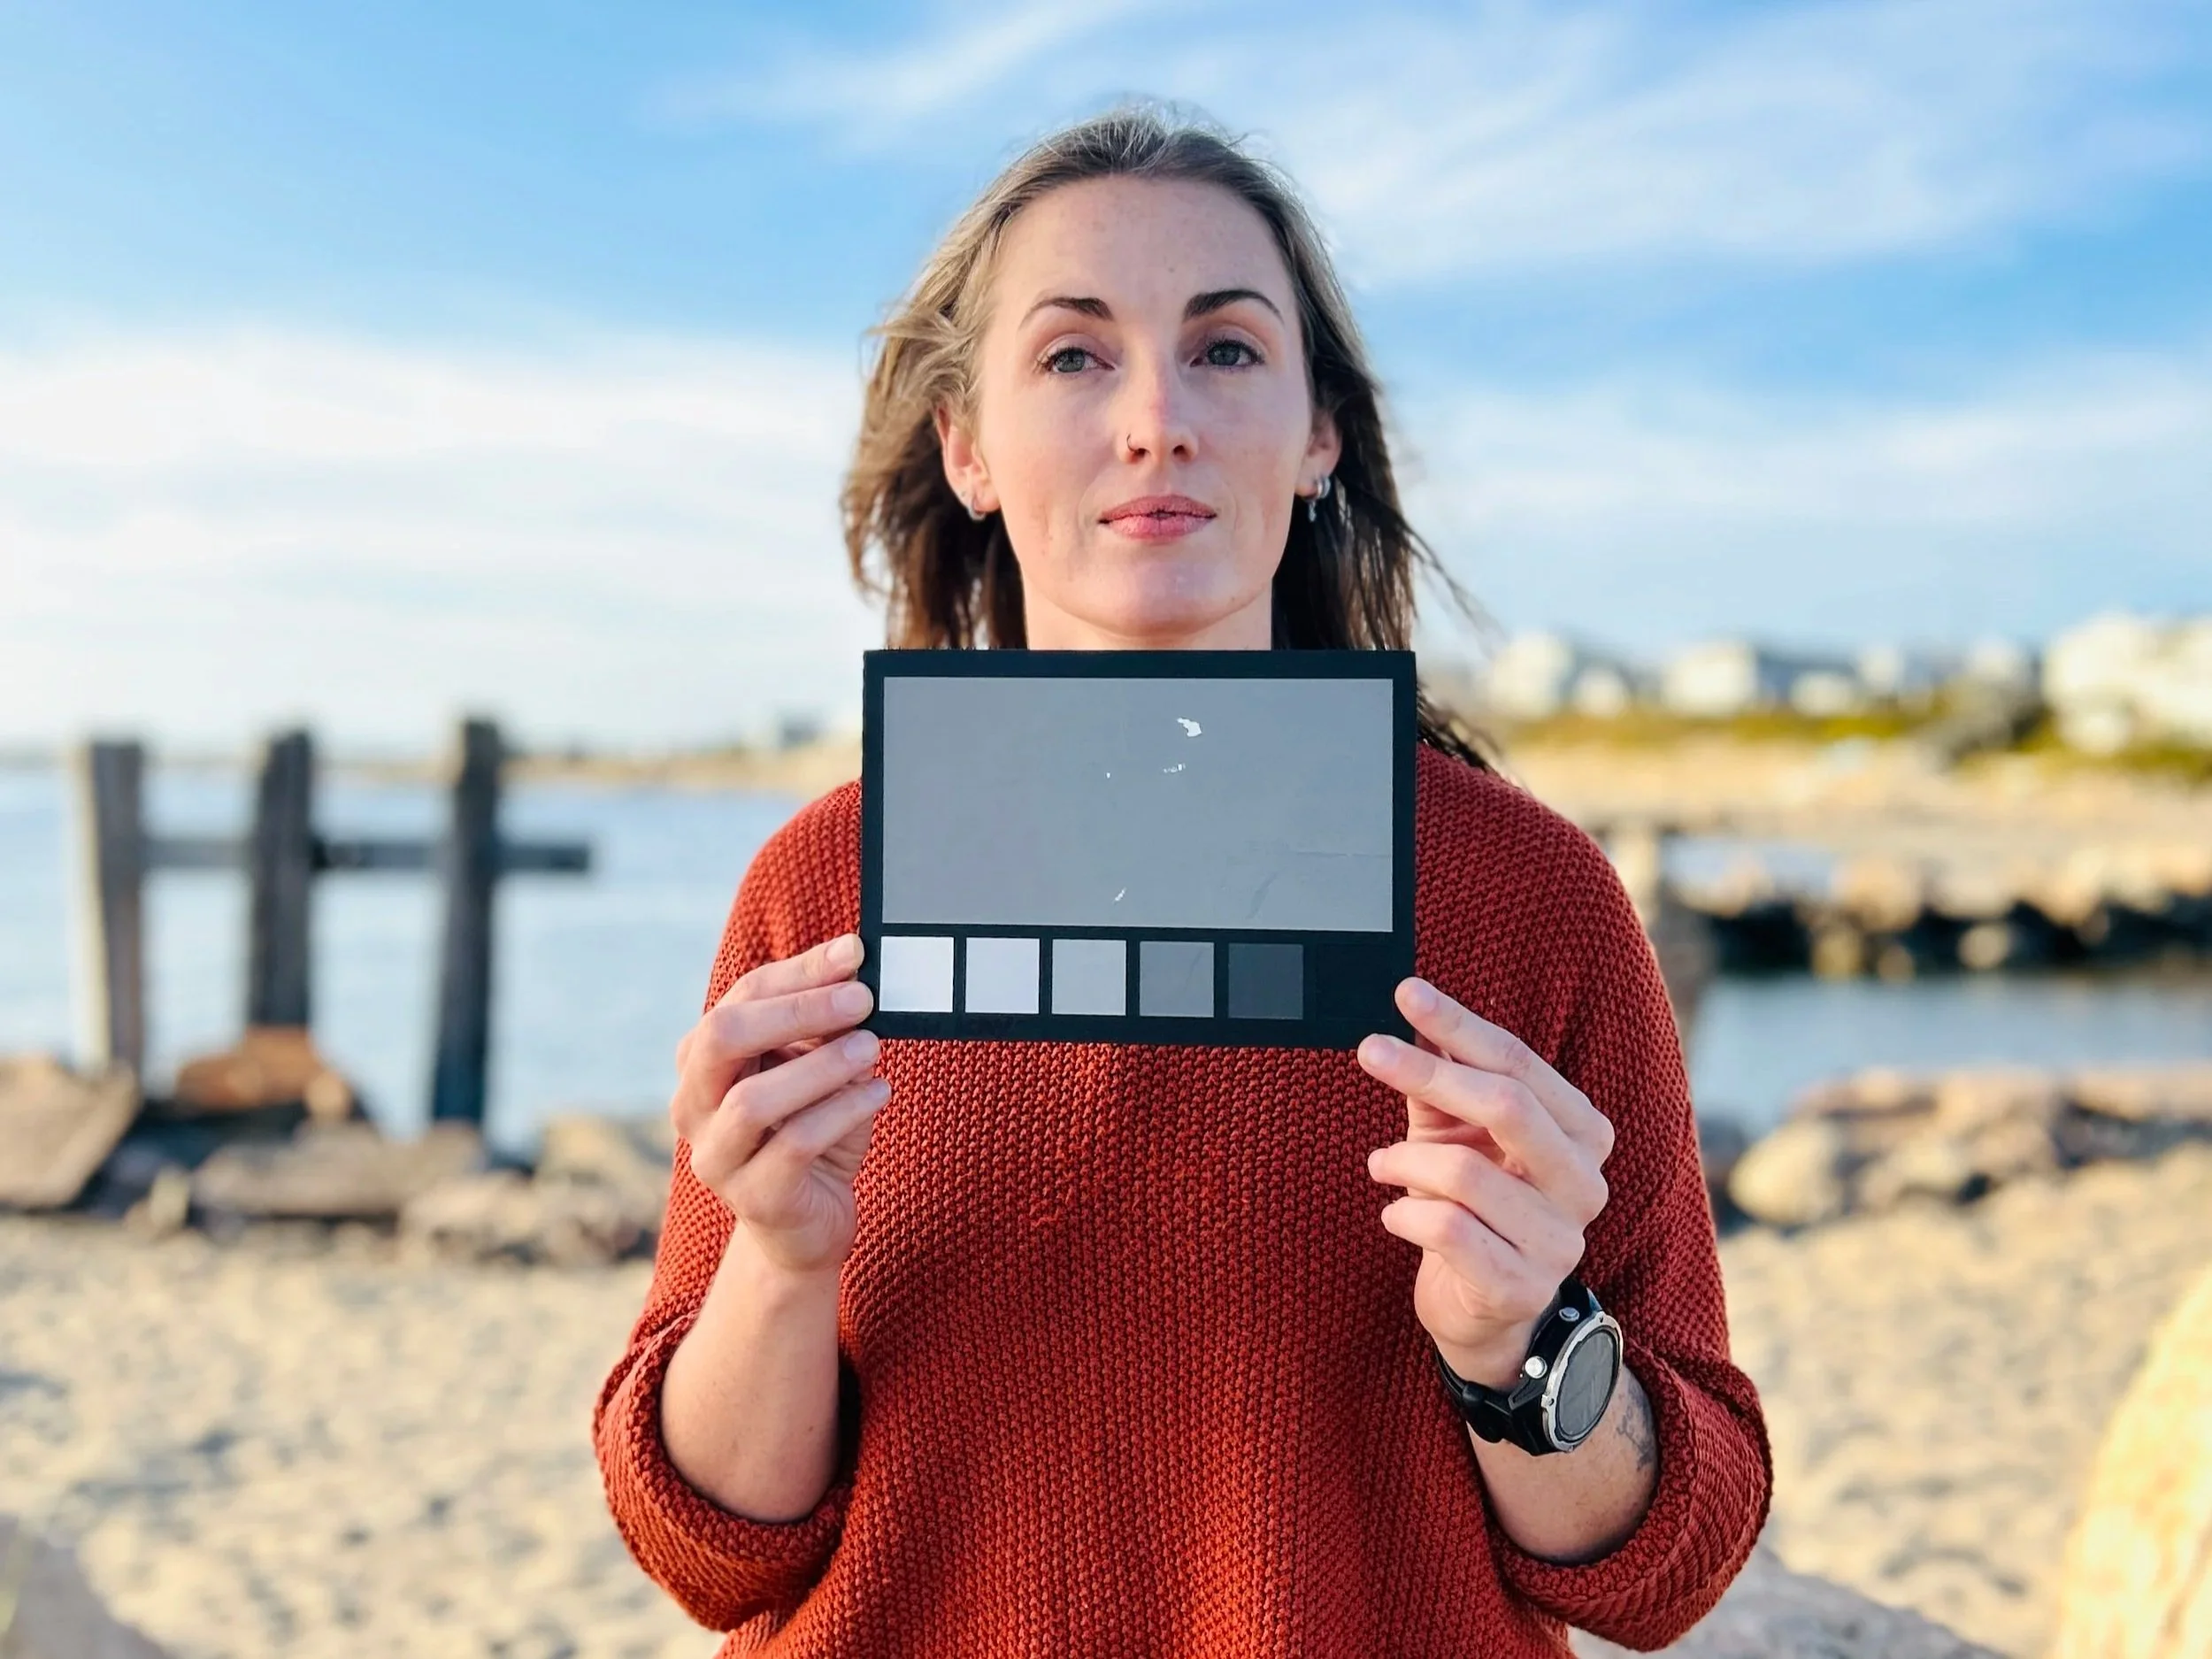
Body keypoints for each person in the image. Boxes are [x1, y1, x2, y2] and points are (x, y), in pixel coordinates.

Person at [595, 106, 1770, 1657]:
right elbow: (711, 1553)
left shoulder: (1528, 897)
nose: (1157, 418)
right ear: (968, 447)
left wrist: (1522, 1342)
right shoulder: (825, 881)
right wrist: (782, 1257)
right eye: (1074, 356)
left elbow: (1661, 1571)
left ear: (1319, 435)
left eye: (1225, 349)